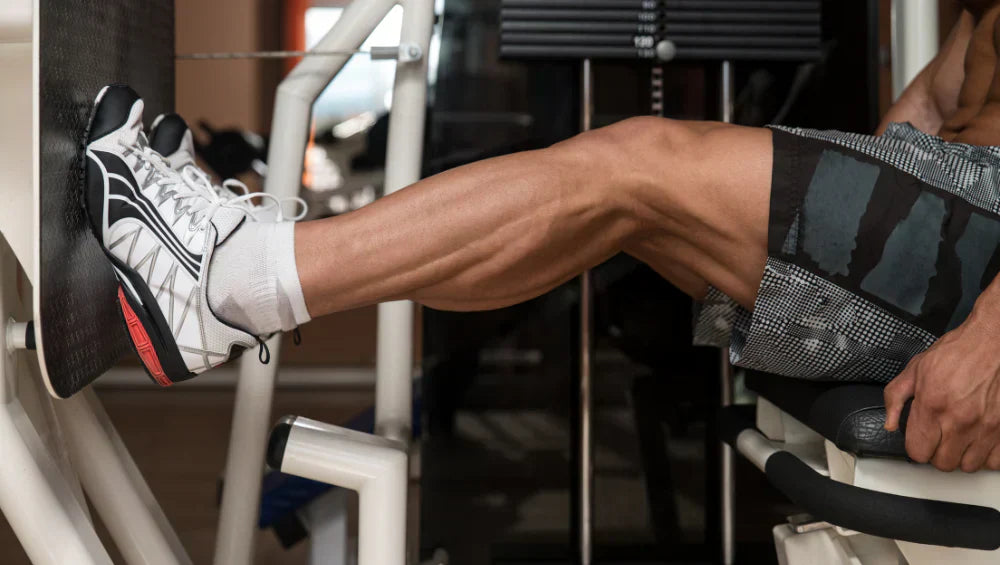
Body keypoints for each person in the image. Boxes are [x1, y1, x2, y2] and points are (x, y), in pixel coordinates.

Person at [81, 4, 1000, 473]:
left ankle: (231, 280)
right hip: (957, 222)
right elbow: (921, 121)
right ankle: (238, 278)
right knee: (616, 203)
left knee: (634, 165)